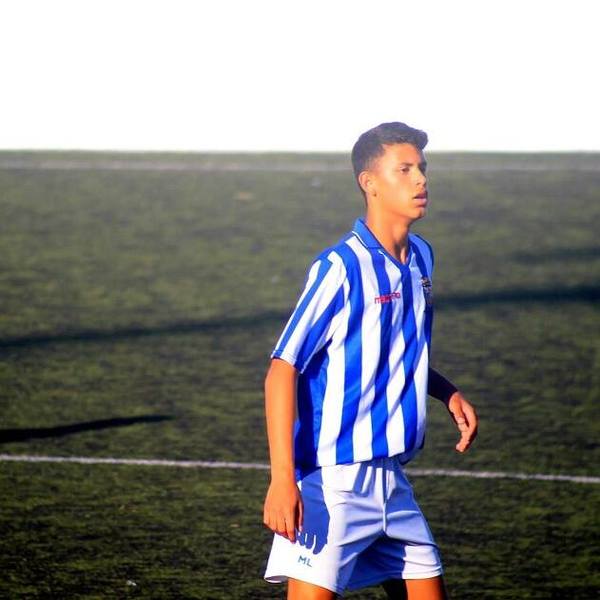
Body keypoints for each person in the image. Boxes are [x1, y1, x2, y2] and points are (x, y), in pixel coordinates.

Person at [262, 121, 478, 599]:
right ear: (370, 182)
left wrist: (445, 391)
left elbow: (391, 349)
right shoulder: (340, 267)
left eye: (422, 168)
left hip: (393, 483)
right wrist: (282, 480)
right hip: (333, 487)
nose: (421, 179)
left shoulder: (421, 257)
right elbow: (282, 369)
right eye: (405, 170)